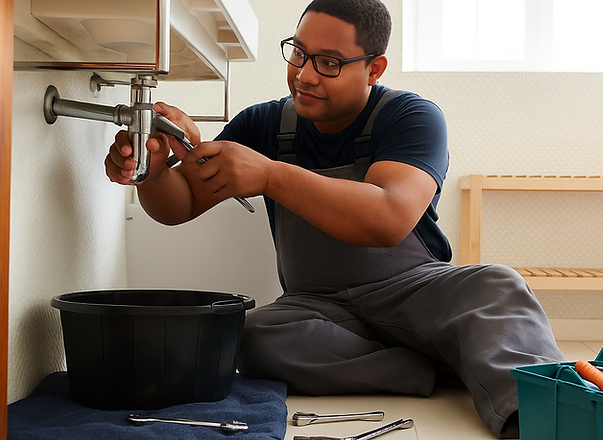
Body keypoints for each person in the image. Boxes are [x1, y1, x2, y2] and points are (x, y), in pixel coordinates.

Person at [104, 0, 565, 437]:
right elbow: (179, 205)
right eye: (299, 53)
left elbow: (388, 218)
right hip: (317, 305)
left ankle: (550, 416)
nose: (304, 75)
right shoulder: (264, 124)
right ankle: (437, 366)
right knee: (254, 337)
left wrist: (270, 175)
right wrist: (153, 167)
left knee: (496, 286)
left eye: (328, 62)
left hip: (414, 289)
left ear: (374, 68)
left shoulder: (411, 117)